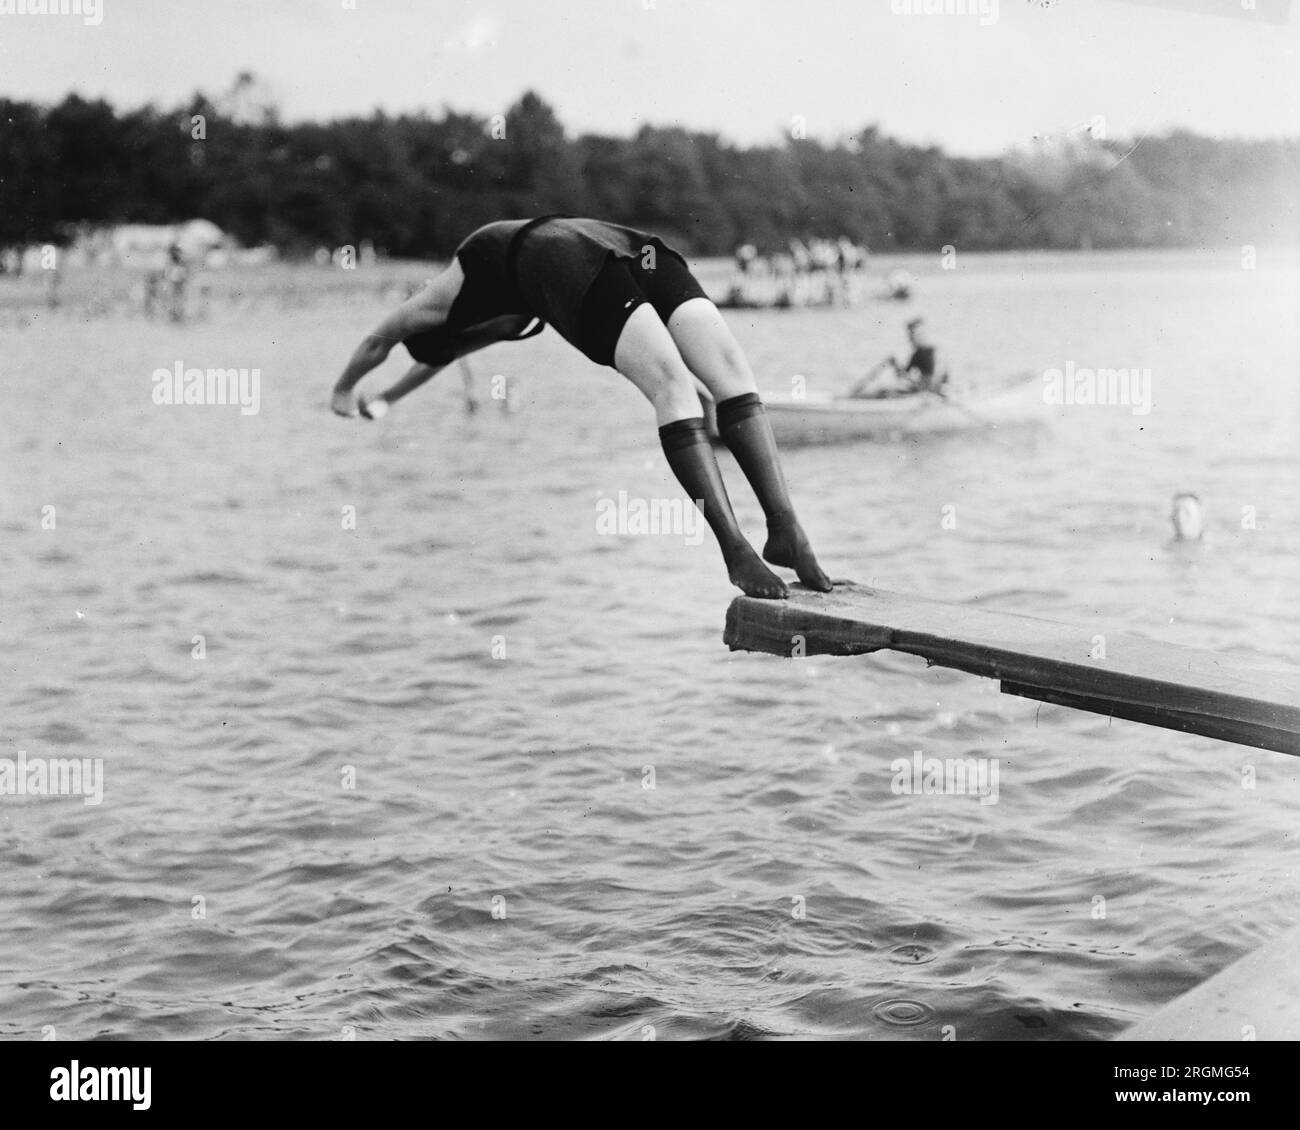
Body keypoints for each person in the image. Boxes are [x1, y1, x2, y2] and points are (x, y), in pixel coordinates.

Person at [330, 216, 831, 599]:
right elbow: (439, 359)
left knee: (673, 390)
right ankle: (785, 529)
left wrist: (343, 390)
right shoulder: (478, 314)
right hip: (627, 246)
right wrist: (386, 399)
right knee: (734, 379)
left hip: (570, 263)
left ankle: (742, 549)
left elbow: (379, 341)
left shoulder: (437, 301)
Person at [849, 317, 947, 398]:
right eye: (909, 335)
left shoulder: (927, 353)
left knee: (883, 393)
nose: (910, 339)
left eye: (913, 335)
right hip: (926, 391)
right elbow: (903, 376)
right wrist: (895, 365)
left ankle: (855, 399)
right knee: (883, 390)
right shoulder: (918, 354)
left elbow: (931, 381)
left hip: (928, 394)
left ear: (921, 334)